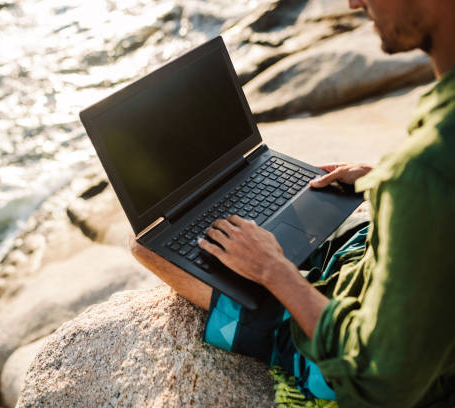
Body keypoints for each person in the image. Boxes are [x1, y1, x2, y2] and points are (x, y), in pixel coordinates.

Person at [130, 0, 455, 406]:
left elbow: (380, 382)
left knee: (146, 245)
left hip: (405, 369)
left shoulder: (425, 173)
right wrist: (385, 179)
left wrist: (274, 271)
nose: (354, 3)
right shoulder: (428, 162)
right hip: (391, 285)